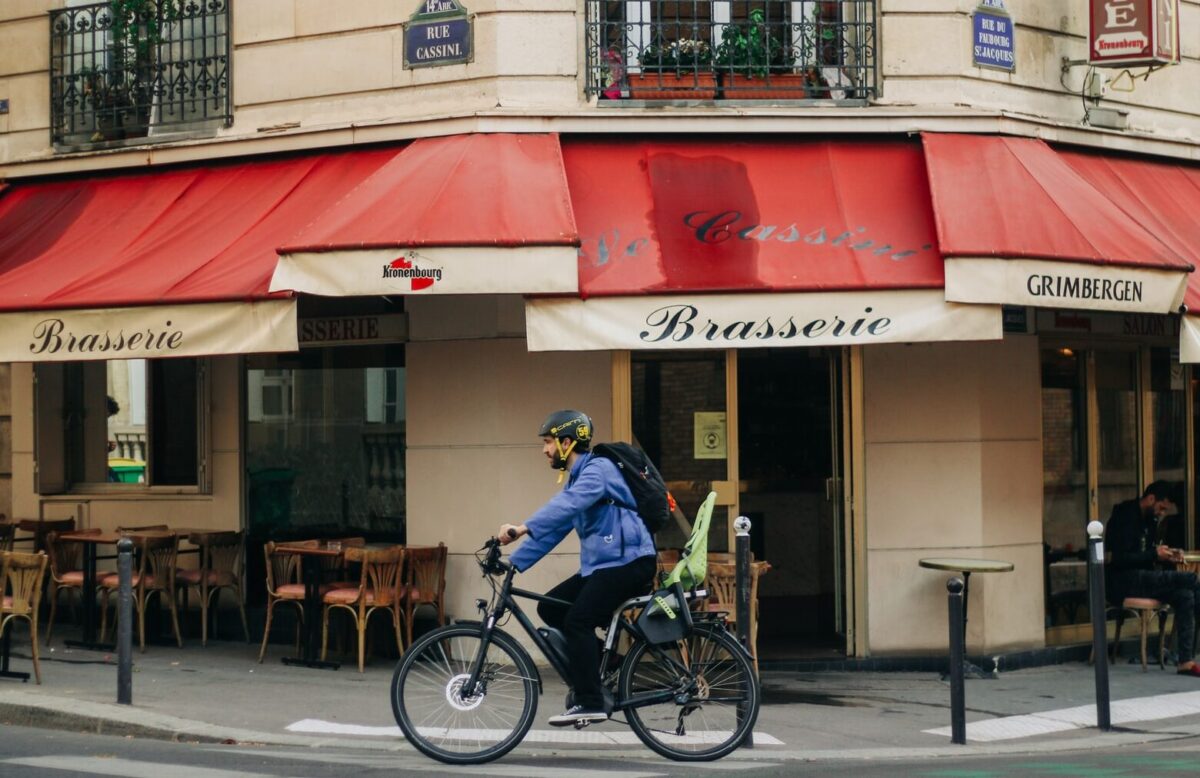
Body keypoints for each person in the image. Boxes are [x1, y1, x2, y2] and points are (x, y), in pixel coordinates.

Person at [498, 410, 657, 726]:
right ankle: (607, 663)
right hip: (608, 565)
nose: (544, 450)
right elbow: (558, 526)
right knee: (550, 609)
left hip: (630, 562)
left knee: (578, 621)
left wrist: (522, 527)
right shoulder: (579, 478)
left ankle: (590, 700)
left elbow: (567, 506)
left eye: (548, 442)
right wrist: (513, 562)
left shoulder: (598, 470)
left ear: (567, 442)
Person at [1105, 480, 1200, 677]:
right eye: (1161, 507)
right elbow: (1120, 558)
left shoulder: (1150, 521)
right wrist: (1154, 555)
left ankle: (1185, 660)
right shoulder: (1124, 516)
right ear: (1150, 499)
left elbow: (1150, 555)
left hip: (1144, 580)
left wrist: (1168, 555)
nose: (1161, 513)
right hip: (1122, 581)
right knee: (1190, 579)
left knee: (1185, 595)